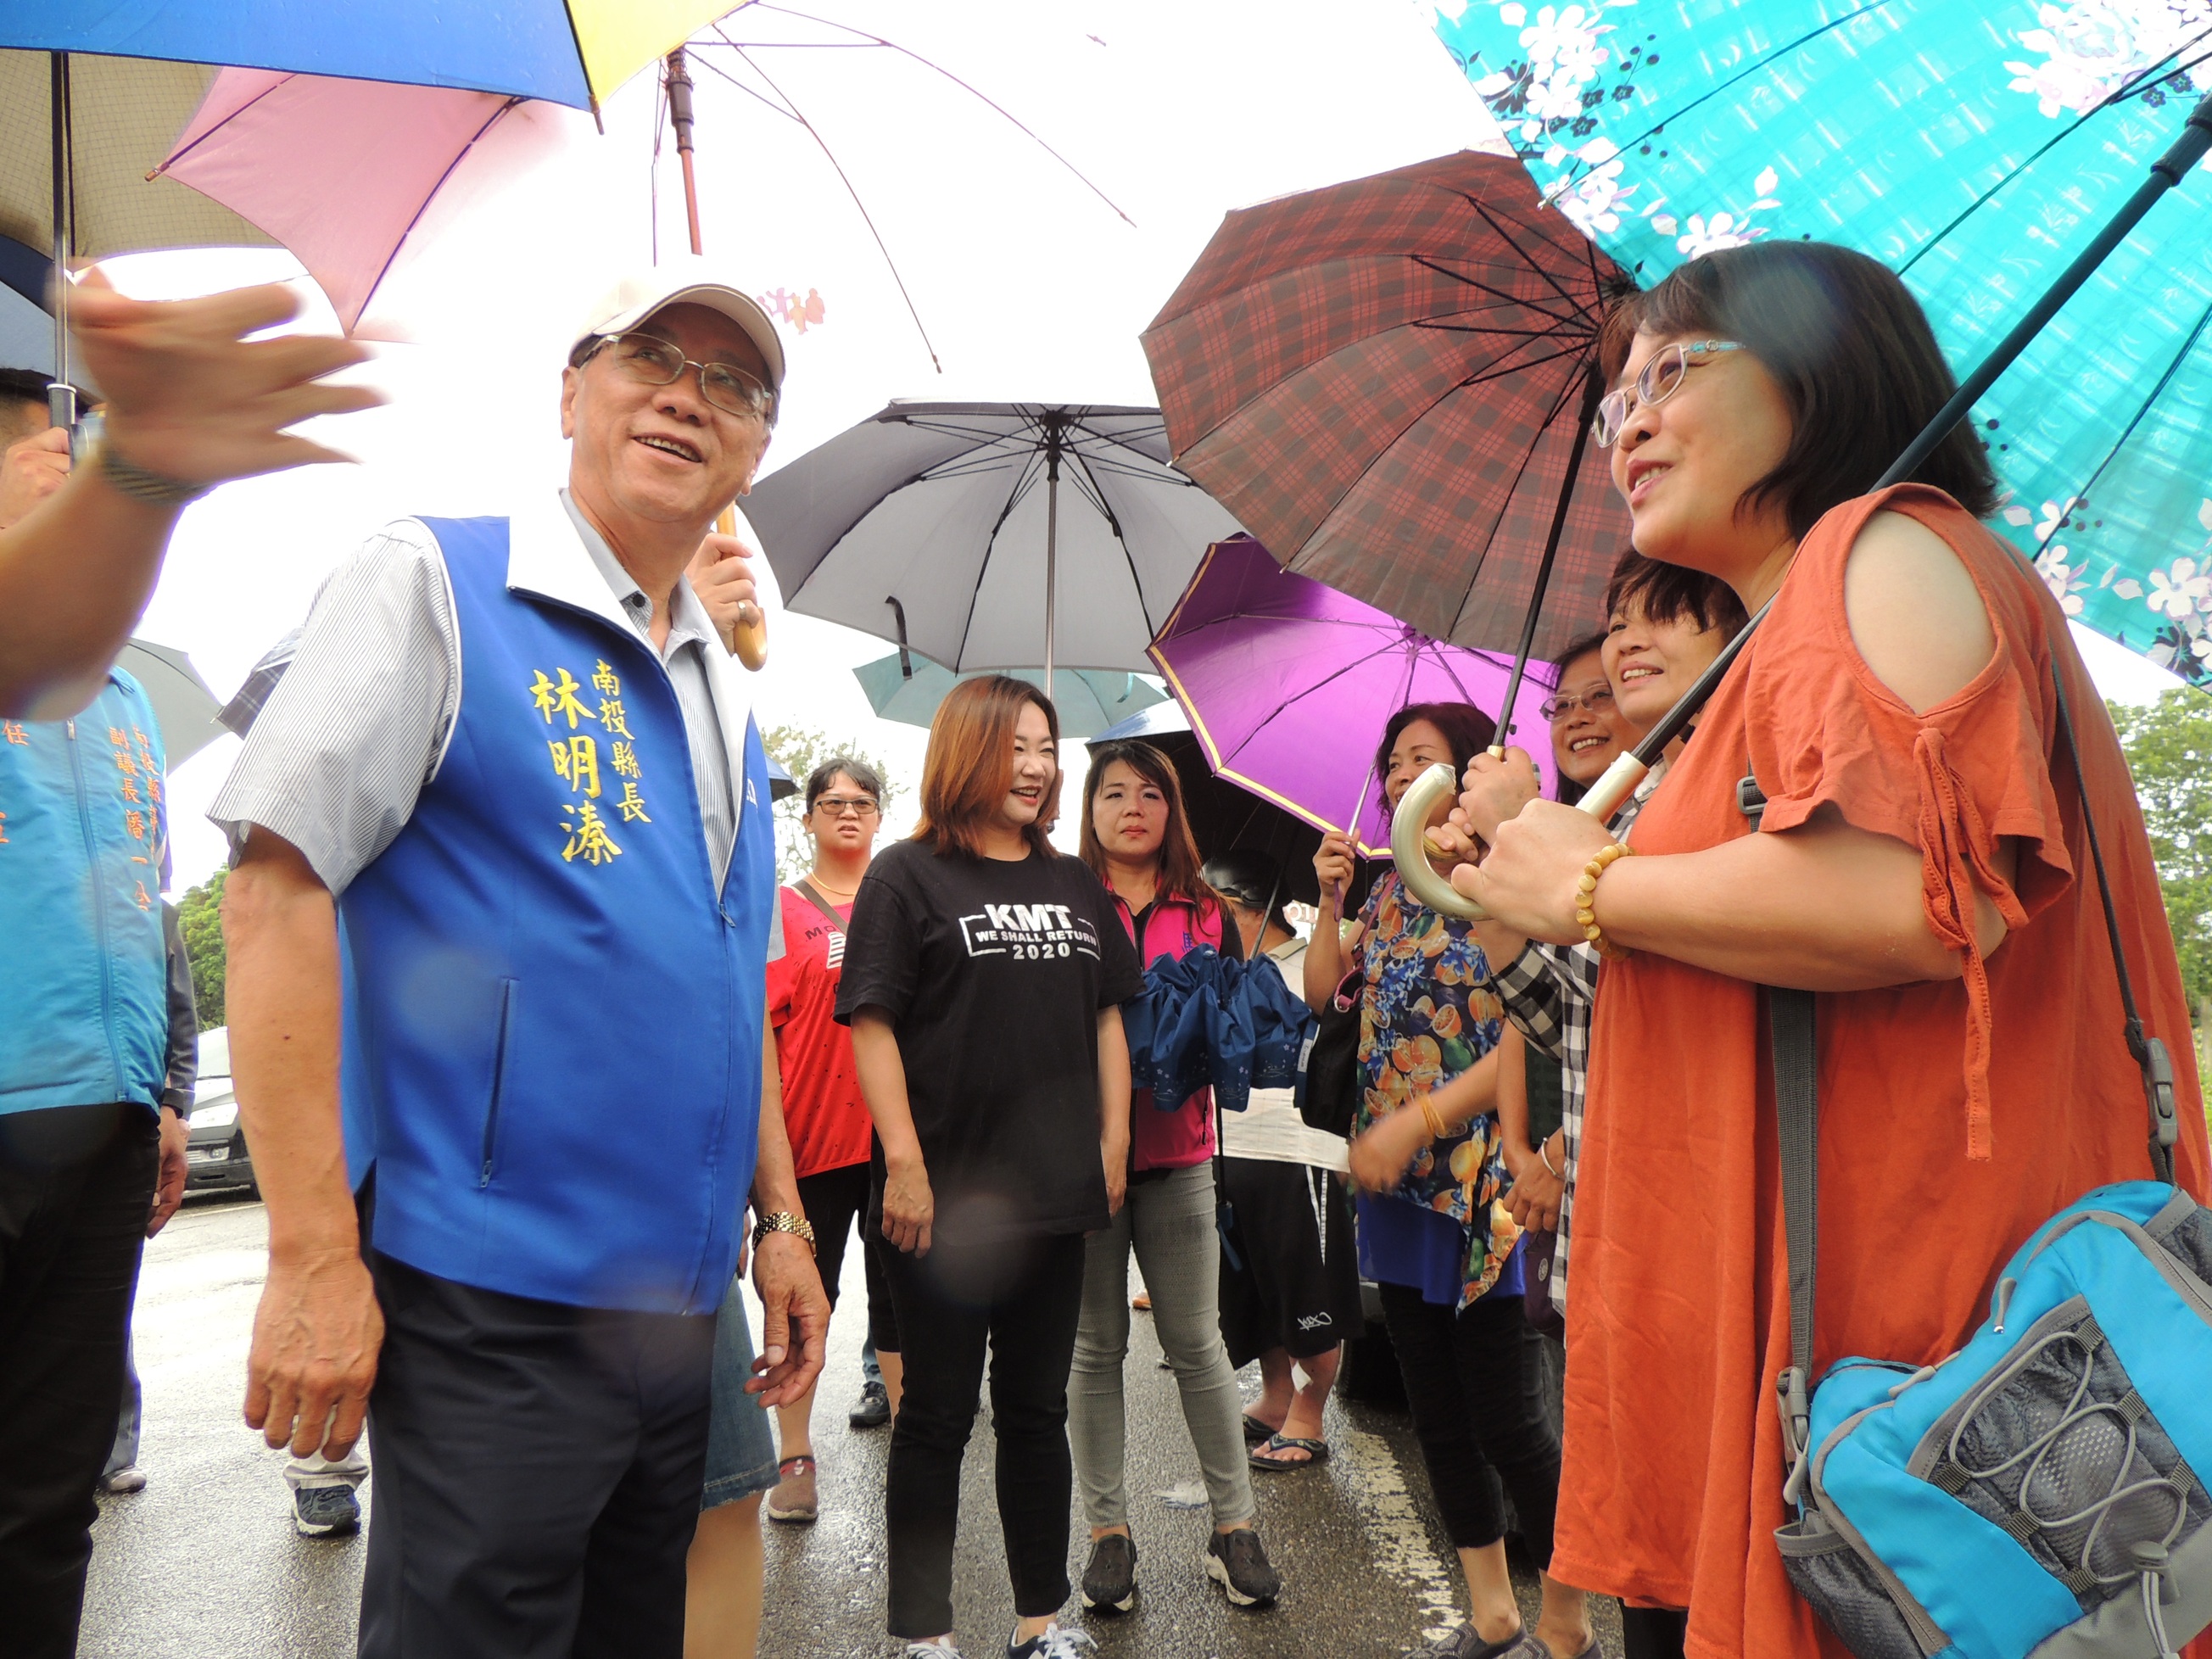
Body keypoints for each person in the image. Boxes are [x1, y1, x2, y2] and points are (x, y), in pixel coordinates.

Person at [1446, 242, 2212, 1659]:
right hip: (1829, 1363)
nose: (1629, 416)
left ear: (1818, 374)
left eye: (1673, 371)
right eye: (1618, 389)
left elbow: (1906, 901)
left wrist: (1596, 883)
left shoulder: (1884, 548)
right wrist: (1548, 866)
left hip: (1907, 1375)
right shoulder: (1783, 626)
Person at [212, 258, 829, 1659]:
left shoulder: (717, 694)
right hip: (493, 1299)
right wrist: (313, 1256)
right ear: (571, 390)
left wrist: (778, 1220)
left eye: (733, 384)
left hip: (676, 1312)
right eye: (646, 360)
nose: (687, 397)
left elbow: (727, 989)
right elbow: (276, 888)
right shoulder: (432, 577)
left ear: (755, 450)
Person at [837, 674, 1142, 1659]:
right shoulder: (903, 876)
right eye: (1014, 746)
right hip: (943, 1203)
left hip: (1054, 1195)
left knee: (1035, 1412)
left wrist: (1113, 1143)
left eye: (1047, 747)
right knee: (933, 1417)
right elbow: (872, 1024)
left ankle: (1038, 1623)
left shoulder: (1073, 883)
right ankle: (924, 1634)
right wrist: (906, 1163)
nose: (1037, 765)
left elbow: (1107, 1015)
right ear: (967, 750)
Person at [1303, 702, 1595, 1659]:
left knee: (1509, 1420)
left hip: (1477, 1187)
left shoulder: (1499, 881)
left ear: (1469, 772)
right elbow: (1321, 997)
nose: (1399, 777)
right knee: (1436, 1414)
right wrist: (1335, 901)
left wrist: (1417, 1123)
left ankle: (1565, 1617)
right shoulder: (1389, 892)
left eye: (1421, 760)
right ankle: (1491, 1615)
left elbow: (1520, 1035)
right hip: (1395, 1189)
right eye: (1391, 763)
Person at [1467, 563, 1744, 1332]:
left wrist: (1510, 830)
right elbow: (1572, 1022)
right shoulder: (1621, 819)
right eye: (1618, 621)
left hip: (1674, 1236)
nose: (1627, 641)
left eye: (1659, 615)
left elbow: (1649, 990)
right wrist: (1487, 890)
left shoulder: (1708, 796)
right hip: (1607, 1231)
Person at [0, 658, 192, 1656]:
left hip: (108, 1119)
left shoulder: (122, 694)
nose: (69, 488)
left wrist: (162, 1089)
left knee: (50, 1492)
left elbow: (147, 900)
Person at [1069, 740, 1281, 1616]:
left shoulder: (1207, 911)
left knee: (1196, 1347)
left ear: (1171, 811)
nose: (1131, 807)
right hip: (1079, 1169)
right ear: (1088, 811)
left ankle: (1234, 1530)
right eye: (1112, 792)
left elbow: (1234, 1029)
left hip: (1182, 1158)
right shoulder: (1062, 902)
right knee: (1095, 1351)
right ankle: (1107, 1534)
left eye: (1149, 793)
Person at [0, 277, 377, 718]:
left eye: (84, 454)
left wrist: (142, 471)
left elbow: (35, 669)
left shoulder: (124, 697)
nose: (76, 479)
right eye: (57, 453)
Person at [756, 755, 905, 1524]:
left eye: (863, 802)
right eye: (833, 802)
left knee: (903, 1300)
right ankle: (793, 1454)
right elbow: (760, 1035)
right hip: (810, 1143)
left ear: (881, 816)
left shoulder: (903, 900)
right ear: (808, 817)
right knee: (806, 1302)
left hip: (897, 1146)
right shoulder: (779, 910)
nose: (849, 813)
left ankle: (918, 1456)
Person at [1202, 849, 1362, 1471]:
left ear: (1245, 911)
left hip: (1300, 1152)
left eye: (1212, 914)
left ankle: (1308, 1414)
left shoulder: (1310, 962)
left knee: (1304, 1286)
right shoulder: (1225, 972)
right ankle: (1274, 1397)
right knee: (1254, 1291)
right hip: (1230, 1151)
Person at [98, 900, 204, 1498]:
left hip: (121, 1123)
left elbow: (179, 1020)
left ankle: (111, 1453)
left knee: (100, 1300)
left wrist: (175, 1107)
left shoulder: (151, 913)